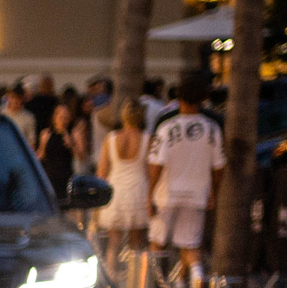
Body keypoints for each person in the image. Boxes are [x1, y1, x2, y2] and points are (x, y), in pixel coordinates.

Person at [145, 78, 225, 273]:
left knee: (157, 242)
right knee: (191, 245)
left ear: (179, 97)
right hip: (197, 193)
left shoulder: (166, 128)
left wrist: (150, 194)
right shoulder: (213, 129)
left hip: (167, 193)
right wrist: (213, 192)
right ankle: (194, 284)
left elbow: (156, 163)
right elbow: (218, 166)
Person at [95, 100, 151, 257]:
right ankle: (135, 278)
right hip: (138, 191)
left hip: (115, 192)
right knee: (137, 243)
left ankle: (112, 276)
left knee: (114, 242)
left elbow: (102, 171)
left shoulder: (111, 138)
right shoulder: (147, 139)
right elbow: (150, 171)